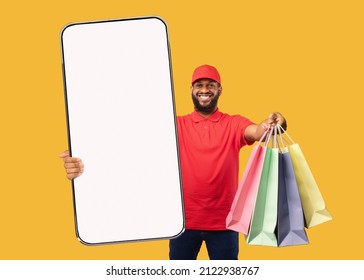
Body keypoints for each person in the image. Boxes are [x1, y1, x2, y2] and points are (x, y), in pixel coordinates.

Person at [59, 64, 287, 260]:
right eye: (199, 85)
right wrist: (86, 152)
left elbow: (258, 131)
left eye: (210, 85)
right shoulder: (175, 124)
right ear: (191, 90)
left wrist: (274, 123)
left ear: (219, 89)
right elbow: (128, 143)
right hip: (182, 223)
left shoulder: (233, 123)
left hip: (224, 224)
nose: (204, 90)